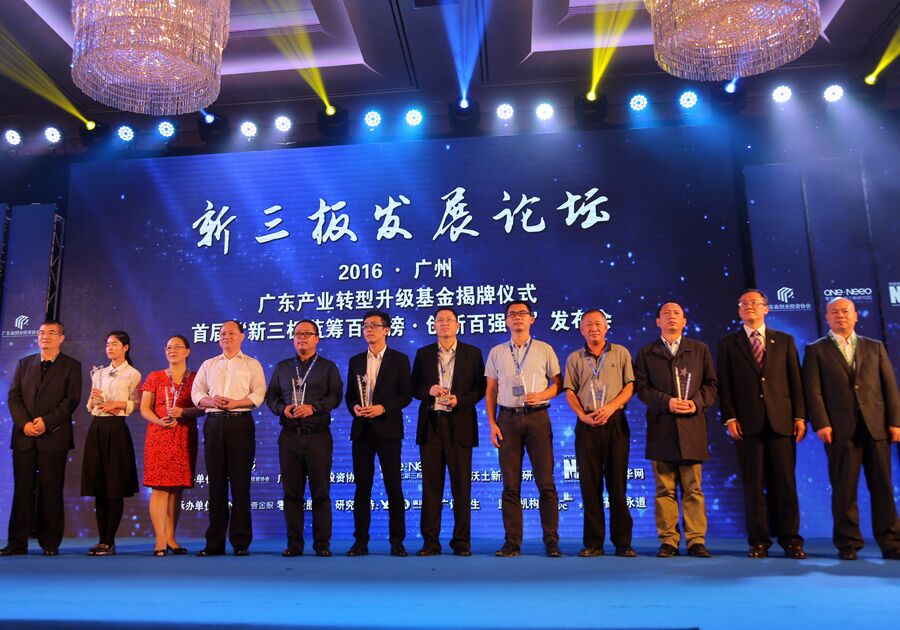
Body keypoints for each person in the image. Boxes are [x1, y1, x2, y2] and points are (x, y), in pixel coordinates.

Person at [802, 297, 900, 560]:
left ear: (855, 315)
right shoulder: (815, 350)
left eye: (845, 311)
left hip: (876, 427)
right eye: (834, 312)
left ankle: (891, 543)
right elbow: (813, 391)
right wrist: (821, 423)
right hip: (838, 430)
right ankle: (848, 544)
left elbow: (889, 387)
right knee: (844, 490)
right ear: (827, 318)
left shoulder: (875, 347)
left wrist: (895, 422)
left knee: (883, 488)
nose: (840, 316)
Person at [717, 289, 807, 559]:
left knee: (786, 483)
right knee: (753, 485)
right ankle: (758, 541)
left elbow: (796, 381)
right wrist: (730, 417)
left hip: (782, 421)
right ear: (738, 310)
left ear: (766, 308)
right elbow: (725, 385)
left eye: (755, 303)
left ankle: (791, 540)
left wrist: (800, 416)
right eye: (743, 304)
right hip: (747, 424)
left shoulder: (785, 340)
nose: (749, 307)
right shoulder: (728, 344)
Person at [634, 302, 717, 558]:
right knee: (664, 490)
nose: (671, 317)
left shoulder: (699, 349)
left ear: (684, 321)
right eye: (666, 314)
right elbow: (642, 389)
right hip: (662, 428)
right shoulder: (647, 353)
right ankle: (668, 540)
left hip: (692, 427)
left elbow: (711, 385)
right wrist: (666, 402)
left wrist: (696, 403)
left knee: (693, 489)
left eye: (677, 313)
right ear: (658, 321)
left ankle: (696, 540)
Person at [485, 300, 563, 557]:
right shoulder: (497, 352)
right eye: (512, 314)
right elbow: (491, 390)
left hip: (538, 418)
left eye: (523, 313)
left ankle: (551, 541)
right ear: (506, 321)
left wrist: (541, 395)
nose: (517, 317)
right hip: (507, 419)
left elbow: (558, 384)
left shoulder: (544, 349)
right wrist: (492, 423)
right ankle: (512, 542)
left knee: (546, 482)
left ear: (532, 319)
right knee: (510, 484)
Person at [1, 320, 82, 557]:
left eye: (51, 333)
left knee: (51, 490)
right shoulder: (24, 363)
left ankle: (50, 543)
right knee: (22, 490)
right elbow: (14, 397)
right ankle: (17, 542)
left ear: (61, 338)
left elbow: (71, 400)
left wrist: (46, 422)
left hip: (54, 436)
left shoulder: (71, 365)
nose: (45, 336)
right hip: (24, 437)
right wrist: (25, 424)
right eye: (42, 333)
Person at [411, 307, 486, 556]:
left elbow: (480, 388)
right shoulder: (423, 354)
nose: (444, 323)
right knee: (431, 487)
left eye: (449, 320)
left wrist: (460, 400)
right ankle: (430, 542)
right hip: (432, 425)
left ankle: (461, 542)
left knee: (461, 487)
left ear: (457, 325)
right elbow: (413, 387)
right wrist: (428, 391)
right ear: (434, 326)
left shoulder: (473, 353)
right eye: (439, 320)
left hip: (460, 424)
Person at [266, 320, 343, 558]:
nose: (302, 337)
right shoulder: (283, 367)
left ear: (317, 338)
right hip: (289, 437)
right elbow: (271, 397)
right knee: (292, 494)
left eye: (307, 334)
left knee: (321, 492)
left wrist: (314, 408)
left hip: (318, 436)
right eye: (298, 334)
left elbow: (336, 396)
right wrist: (282, 409)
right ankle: (294, 544)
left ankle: (322, 544)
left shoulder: (328, 367)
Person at [563, 309, 636, 558]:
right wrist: (581, 415)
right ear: (581, 330)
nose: (594, 328)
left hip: (615, 421)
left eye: (598, 324)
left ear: (606, 327)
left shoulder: (621, 353)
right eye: (588, 325)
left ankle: (623, 542)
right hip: (587, 423)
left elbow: (630, 386)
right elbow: (570, 391)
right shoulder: (574, 358)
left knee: (618, 484)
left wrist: (612, 407)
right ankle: (593, 543)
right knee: (589, 485)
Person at [191, 320, 266, 556]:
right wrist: (210, 401)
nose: (226, 336)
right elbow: (196, 392)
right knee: (216, 485)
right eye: (222, 333)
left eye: (231, 333)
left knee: (241, 484)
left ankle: (241, 542)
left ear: (242, 336)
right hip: (214, 424)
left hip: (240, 423)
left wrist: (235, 403)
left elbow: (259, 394)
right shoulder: (209, 364)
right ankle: (214, 543)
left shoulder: (252, 364)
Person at [345, 309, 412, 557]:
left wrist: (382, 408)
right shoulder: (355, 361)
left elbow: (405, 395)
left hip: (388, 430)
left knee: (393, 487)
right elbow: (350, 396)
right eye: (365, 326)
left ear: (386, 330)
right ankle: (360, 541)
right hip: (362, 430)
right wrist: (355, 408)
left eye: (374, 325)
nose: (369, 330)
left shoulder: (400, 360)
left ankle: (397, 541)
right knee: (362, 488)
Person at [139, 335, 203, 556]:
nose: (172, 350)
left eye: (177, 347)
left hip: (183, 435)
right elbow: (144, 408)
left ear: (187, 351)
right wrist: (160, 421)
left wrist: (183, 412)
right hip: (159, 435)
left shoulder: (196, 378)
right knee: (159, 487)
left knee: (176, 488)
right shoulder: (155, 376)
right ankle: (159, 540)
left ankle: (171, 538)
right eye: (168, 347)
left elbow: (202, 408)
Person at [81, 330, 142, 556]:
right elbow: (89, 405)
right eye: (107, 344)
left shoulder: (133, 374)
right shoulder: (99, 372)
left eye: (114, 344)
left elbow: (137, 404)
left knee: (114, 485)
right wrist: (95, 400)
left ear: (126, 347)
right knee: (99, 484)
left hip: (116, 429)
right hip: (97, 427)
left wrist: (117, 404)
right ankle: (101, 539)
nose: (110, 348)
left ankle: (109, 540)